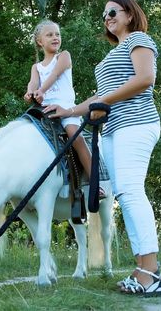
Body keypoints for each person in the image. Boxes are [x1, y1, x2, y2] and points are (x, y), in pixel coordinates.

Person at [43, 0, 161, 297]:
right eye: (104, 14)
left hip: (135, 124)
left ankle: (151, 270)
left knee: (132, 191)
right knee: (125, 193)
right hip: (112, 130)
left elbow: (145, 78)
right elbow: (101, 94)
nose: (107, 17)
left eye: (112, 12)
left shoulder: (138, 38)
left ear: (130, 14)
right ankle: (143, 268)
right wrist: (69, 110)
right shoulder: (115, 52)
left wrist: (102, 102)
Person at [24, 19, 104, 199]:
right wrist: (30, 93)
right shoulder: (36, 67)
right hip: (45, 109)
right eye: (49, 35)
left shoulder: (64, 56)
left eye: (57, 34)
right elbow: (33, 83)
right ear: (40, 41)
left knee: (75, 136)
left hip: (65, 108)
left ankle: (94, 181)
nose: (55, 38)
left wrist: (41, 91)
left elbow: (54, 74)